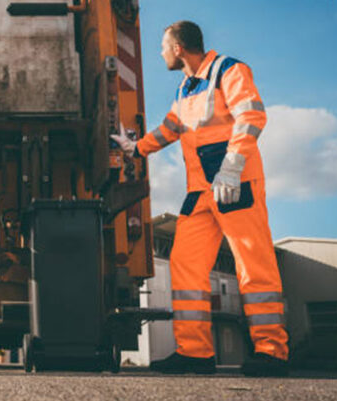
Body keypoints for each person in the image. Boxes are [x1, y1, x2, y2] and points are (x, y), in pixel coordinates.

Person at [111, 21, 289, 377]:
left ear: (178, 48)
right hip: (202, 193)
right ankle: (195, 352)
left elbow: (251, 116)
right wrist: (136, 148)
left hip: (235, 185)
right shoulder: (185, 89)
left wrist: (232, 167)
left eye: (163, 47)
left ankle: (272, 351)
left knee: (253, 265)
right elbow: (171, 128)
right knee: (184, 263)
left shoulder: (229, 70)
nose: (161, 53)